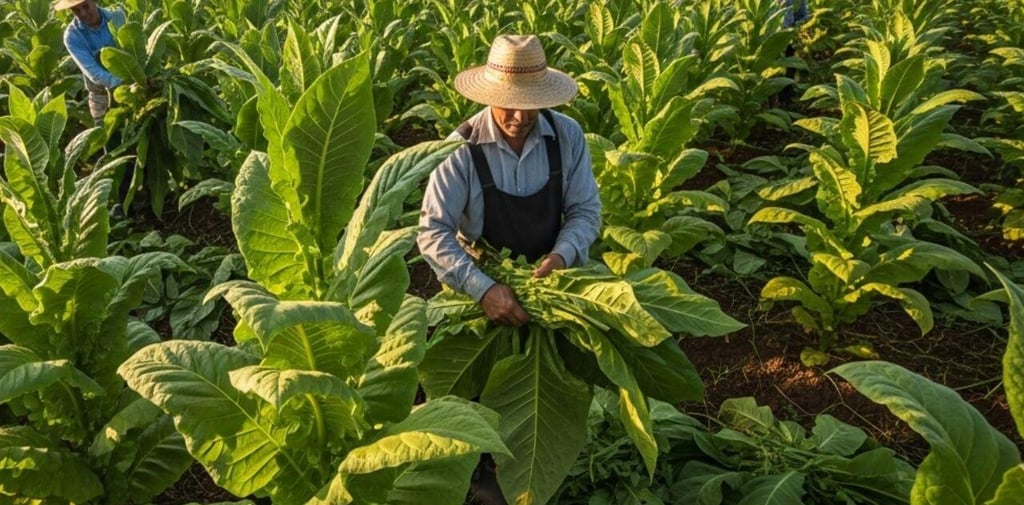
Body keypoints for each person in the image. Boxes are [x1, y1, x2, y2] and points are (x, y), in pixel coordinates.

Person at [418, 34, 602, 329]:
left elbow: (585, 210)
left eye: (531, 103)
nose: (520, 116)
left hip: (553, 282)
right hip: (477, 282)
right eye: (510, 103)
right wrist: (484, 290)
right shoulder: (460, 149)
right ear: (490, 96)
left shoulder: (567, 135)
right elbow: (433, 232)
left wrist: (562, 255)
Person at [56, 0, 125, 123]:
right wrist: (122, 82)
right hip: (100, 94)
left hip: (133, 87)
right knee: (106, 136)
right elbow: (93, 73)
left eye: (85, 6)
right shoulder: (72, 36)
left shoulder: (118, 16)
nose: (83, 13)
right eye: (76, 10)